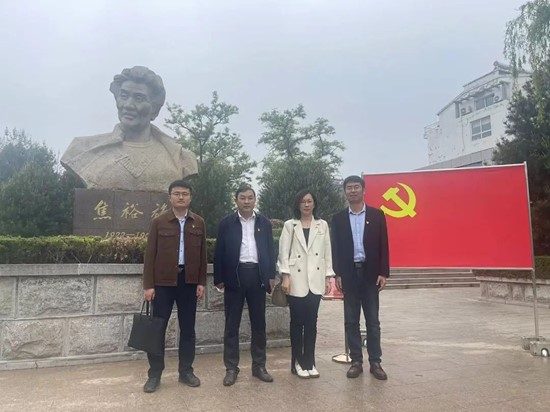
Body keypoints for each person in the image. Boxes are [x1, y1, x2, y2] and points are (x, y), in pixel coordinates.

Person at [61, 66, 197, 192]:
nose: (128, 105)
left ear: (155, 108)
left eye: (139, 98)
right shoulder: (81, 150)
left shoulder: (180, 159)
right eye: (124, 96)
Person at [141, 179, 206, 393]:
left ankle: (186, 371)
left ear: (190, 197)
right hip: (163, 284)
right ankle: (154, 374)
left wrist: (201, 282)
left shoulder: (198, 222)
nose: (181, 197)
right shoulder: (159, 222)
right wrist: (148, 285)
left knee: (188, 329)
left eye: (185, 194)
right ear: (169, 197)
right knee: (157, 329)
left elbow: (203, 256)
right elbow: (150, 255)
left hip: (188, 282)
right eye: (177, 193)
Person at [213, 185, 276, 386]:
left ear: (255, 200)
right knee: (232, 325)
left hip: (257, 276)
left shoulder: (264, 223)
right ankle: (231, 368)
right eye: (243, 198)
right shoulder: (226, 223)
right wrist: (218, 278)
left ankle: (259, 366)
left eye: (250, 197)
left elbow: (270, 250)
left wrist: (271, 275)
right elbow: (219, 252)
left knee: (259, 324)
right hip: (235, 276)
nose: (247, 201)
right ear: (236, 200)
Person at [331, 175, 389, 380]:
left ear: (364, 190)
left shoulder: (377, 215)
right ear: (345, 192)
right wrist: (337, 273)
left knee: (372, 321)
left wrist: (383, 272)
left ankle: (375, 362)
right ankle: (356, 361)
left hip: (370, 274)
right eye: (349, 188)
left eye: (356, 187)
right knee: (351, 320)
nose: (353, 190)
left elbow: (384, 245)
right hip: (349, 275)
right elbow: (335, 248)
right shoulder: (338, 218)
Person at [277, 189, 334, 379]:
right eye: (303, 201)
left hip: (315, 279)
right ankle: (297, 362)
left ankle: (310, 362)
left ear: (314, 203)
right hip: (296, 279)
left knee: (312, 323)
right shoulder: (290, 225)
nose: (307, 205)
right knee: (297, 322)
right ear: (298, 204)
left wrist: (328, 276)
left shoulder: (322, 225)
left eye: (309, 201)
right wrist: (285, 276)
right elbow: (283, 253)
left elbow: (327, 252)